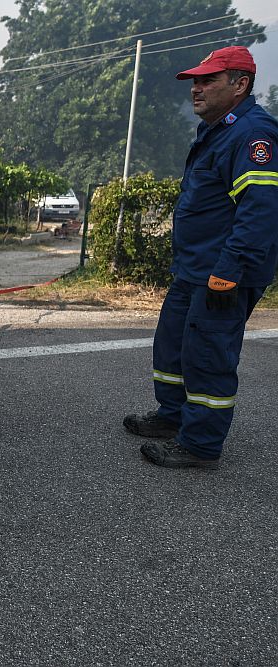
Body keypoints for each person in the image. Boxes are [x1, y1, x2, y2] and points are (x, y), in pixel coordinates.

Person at [124, 46, 278, 469]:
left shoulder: (252, 134)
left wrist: (229, 271)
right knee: (173, 347)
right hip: (194, 269)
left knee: (208, 357)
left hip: (223, 272)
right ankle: (172, 417)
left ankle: (200, 443)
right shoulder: (217, 129)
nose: (197, 88)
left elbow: (260, 209)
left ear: (240, 84)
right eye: (196, 80)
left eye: (209, 79)